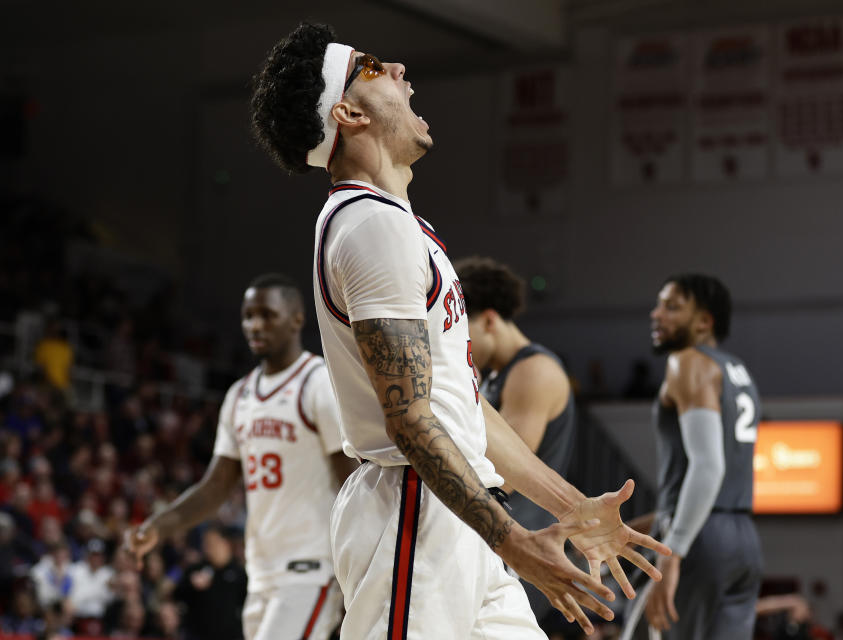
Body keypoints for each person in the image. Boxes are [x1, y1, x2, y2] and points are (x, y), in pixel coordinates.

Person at [250, 21, 670, 640]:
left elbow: (464, 407)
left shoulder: (395, 225)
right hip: (413, 511)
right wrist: (516, 540)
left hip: (457, 515)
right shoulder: (369, 227)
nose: (398, 70)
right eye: (372, 67)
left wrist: (571, 508)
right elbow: (410, 420)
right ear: (348, 113)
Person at [124, 274, 355, 640]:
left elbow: (353, 483)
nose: (255, 325)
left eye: (267, 315)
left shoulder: (318, 383)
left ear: (297, 318)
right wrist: (159, 526)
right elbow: (215, 486)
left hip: (311, 569)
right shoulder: (239, 396)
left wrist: (358, 567)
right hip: (261, 572)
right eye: (248, 316)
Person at [640, 274, 763, 639]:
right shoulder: (738, 371)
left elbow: (708, 467)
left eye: (672, 307)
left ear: (704, 321)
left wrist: (673, 550)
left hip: (699, 537)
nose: (656, 314)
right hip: (744, 539)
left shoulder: (687, 362)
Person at [456, 256, 577, 621]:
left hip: (520, 552)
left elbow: (498, 475)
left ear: (489, 320)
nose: (456, 341)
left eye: (462, 328)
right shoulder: (495, 374)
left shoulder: (532, 371)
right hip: (498, 547)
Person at [174, 526, 246, 640]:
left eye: (212, 543)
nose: (208, 548)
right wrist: (191, 585)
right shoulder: (196, 570)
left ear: (226, 543)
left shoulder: (239, 573)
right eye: (206, 544)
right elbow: (177, 595)